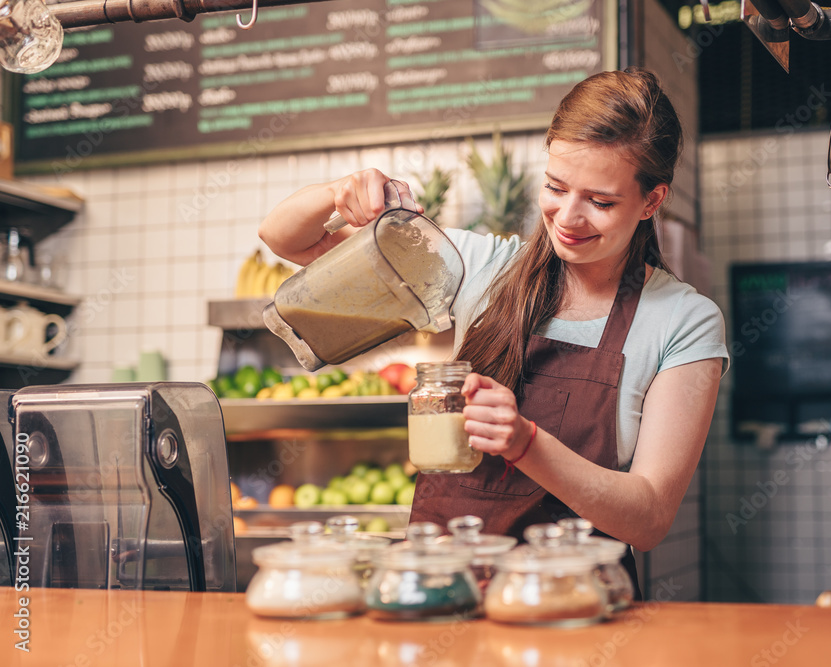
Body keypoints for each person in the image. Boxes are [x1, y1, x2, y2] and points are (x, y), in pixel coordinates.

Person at [259, 67, 729, 597]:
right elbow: (284, 238)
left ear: (651, 201)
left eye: (600, 201)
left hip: (574, 609)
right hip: (440, 596)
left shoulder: (683, 321)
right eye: (555, 187)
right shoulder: (479, 267)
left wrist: (525, 442)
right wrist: (337, 191)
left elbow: (648, 519)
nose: (567, 217)